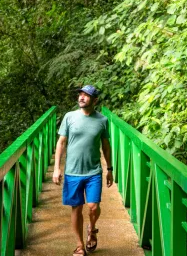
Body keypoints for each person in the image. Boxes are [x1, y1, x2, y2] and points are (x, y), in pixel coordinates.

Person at [53, 85, 114, 256]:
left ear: (95, 100)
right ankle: (80, 245)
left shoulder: (102, 120)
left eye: (86, 96)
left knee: (93, 207)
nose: (81, 97)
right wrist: (57, 168)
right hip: (72, 172)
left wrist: (109, 169)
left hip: (93, 171)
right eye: (80, 94)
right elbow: (61, 143)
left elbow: (106, 146)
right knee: (76, 209)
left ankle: (92, 229)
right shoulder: (69, 117)